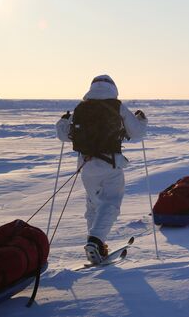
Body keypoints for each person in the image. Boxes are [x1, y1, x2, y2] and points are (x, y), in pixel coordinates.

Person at [55, 74, 147, 264]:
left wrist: (63, 121)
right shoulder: (116, 106)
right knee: (111, 203)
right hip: (109, 163)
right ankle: (95, 241)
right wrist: (142, 120)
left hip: (85, 165)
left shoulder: (81, 107)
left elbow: (64, 135)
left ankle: (96, 246)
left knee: (94, 204)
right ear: (113, 88)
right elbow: (137, 133)